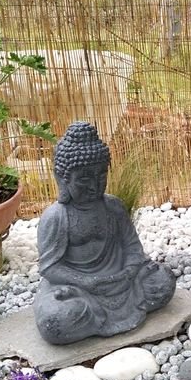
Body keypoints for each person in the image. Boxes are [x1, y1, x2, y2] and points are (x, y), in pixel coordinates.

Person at [34, 121, 176, 344]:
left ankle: (97, 323)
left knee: (163, 280)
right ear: (63, 178)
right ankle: (88, 318)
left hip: (122, 282)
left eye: (100, 176)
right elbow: (50, 267)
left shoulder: (113, 207)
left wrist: (129, 272)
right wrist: (85, 282)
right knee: (55, 321)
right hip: (78, 289)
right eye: (83, 178)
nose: (94, 185)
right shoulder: (55, 217)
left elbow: (132, 248)